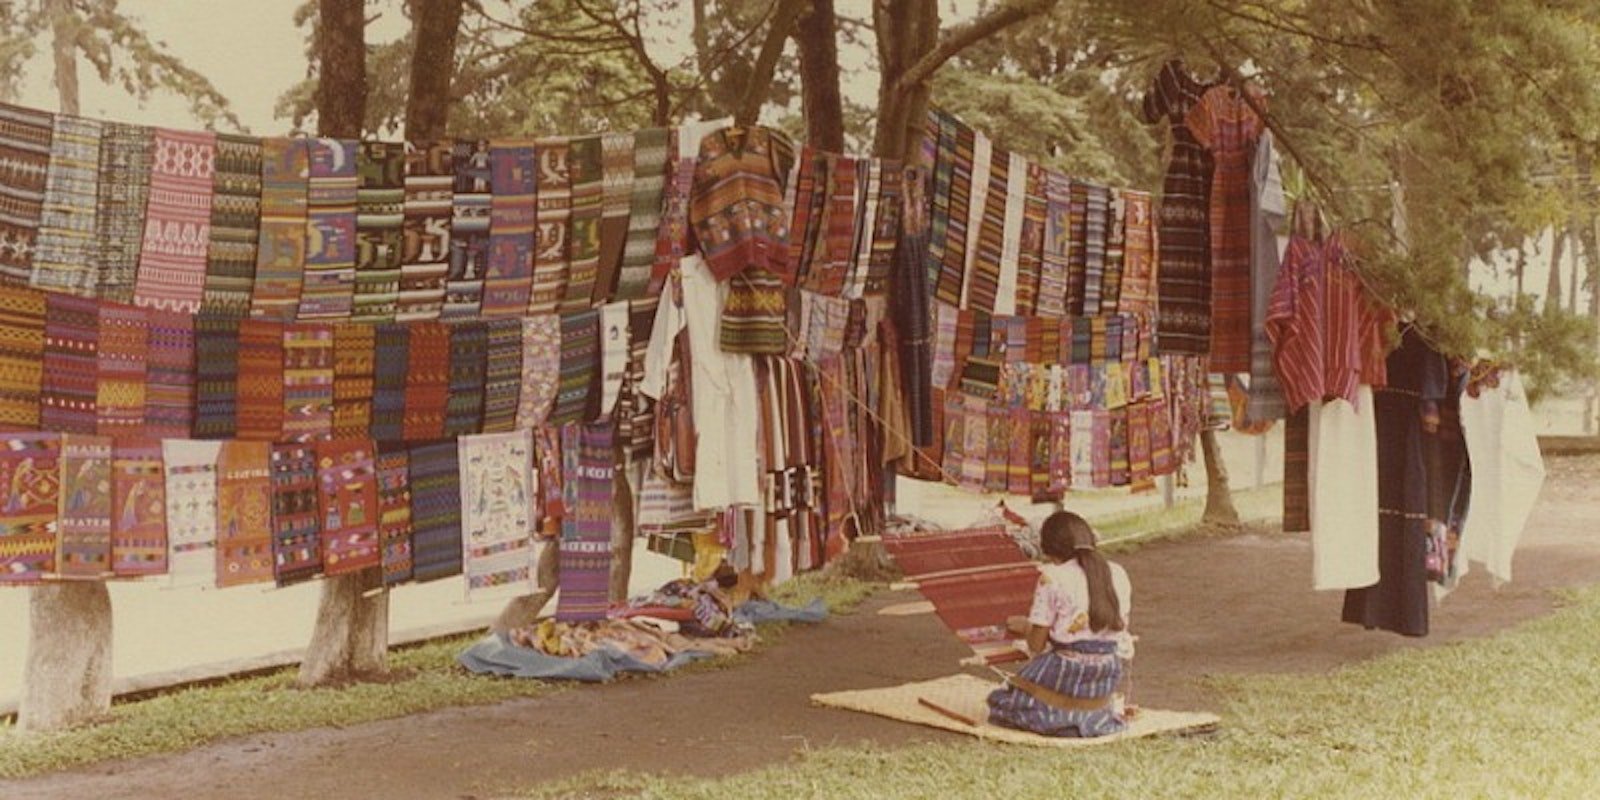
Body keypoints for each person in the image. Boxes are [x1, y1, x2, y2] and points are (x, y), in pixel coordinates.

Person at [986, 511, 1134, 737]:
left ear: (1048, 551)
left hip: (1065, 672)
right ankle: (1088, 718)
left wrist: (1026, 627)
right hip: (1104, 676)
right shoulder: (1118, 572)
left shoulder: (1052, 576)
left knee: (1001, 703)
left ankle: (1061, 721)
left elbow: (1036, 645)